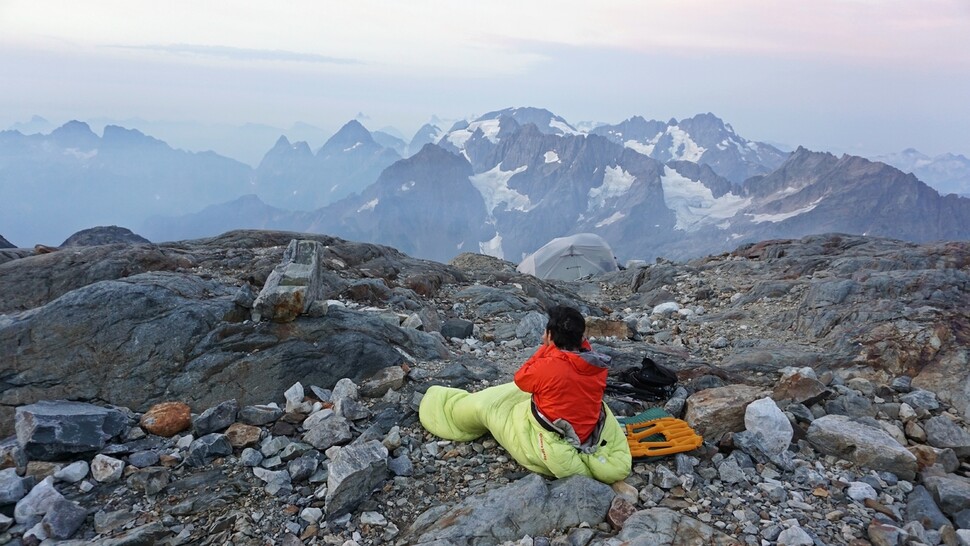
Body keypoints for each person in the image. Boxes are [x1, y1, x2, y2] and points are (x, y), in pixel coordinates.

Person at [419, 305, 631, 484]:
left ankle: (443, 407)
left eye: (545, 333)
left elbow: (521, 379)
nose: (542, 336)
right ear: (581, 337)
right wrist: (556, 346)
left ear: (551, 336)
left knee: (487, 406)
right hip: (585, 429)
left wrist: (546, 349)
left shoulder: (549, 366)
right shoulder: (595, 363)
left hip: (550, 433)